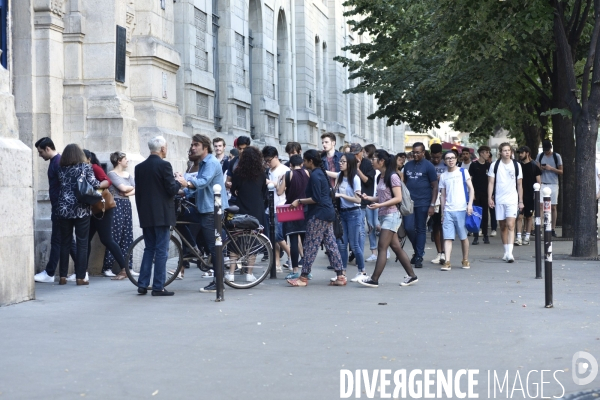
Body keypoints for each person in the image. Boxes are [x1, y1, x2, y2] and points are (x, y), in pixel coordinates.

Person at [135, 136, 187, 296]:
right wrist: (180, 182)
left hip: (146, 214)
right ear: (163, 149)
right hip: (162, 214)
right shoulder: (164, 165)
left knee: (149, 248)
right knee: (161, 250)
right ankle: (158, 286)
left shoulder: (139, 167)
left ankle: (142, 284)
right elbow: (171, 189)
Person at [358, 150, 418, 288]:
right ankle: (412, 276)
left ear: (382, 161)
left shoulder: (393, 177)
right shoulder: (381, 176)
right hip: (385, 215)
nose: (371, 161)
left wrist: (380, 204)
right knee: (396, 247)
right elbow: (382, 197)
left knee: (382, 247)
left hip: (392, 215)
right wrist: (368, 198)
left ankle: (374, 279)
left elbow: (398, 198)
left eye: (374, 159)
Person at [287, 149, 344, 287]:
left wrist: (299, 201)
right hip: (327, 213)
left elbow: (316, 198)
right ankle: (340, 275)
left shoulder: (315, 175)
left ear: (310, 161)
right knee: (331, 245)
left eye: (305, 160)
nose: (304, 163)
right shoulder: (321, 173)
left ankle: (303, 277)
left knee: (310, 245)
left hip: (319, 214)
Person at [182, 134, 229, 294]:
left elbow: (203, 182)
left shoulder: (211, 162)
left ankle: (218, 282)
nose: (193, 147)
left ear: (205, 147)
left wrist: (186, 182)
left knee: (214, 246)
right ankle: (193, 248)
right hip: (204, 206)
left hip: (212, 209)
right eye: (192, 145)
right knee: (182, 216)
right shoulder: (202, 163)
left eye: (196, 145)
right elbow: (198, 186)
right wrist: (184, 192)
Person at [33, 137, 78, 283]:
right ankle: (81, 270)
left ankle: (50, 272)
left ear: (47, 149)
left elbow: (63, 186)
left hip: (60, 207)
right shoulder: (56, 162)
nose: (40, 155)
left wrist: (60, 206)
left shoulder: (57, 162)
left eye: (40, 152)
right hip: (60, 207)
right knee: (68, 241)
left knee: (57, 240)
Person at [56, 144, 101, 285]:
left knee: (65, 242)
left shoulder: (60, 169)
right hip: (81, 208)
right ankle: (80, 277)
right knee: (82, 242)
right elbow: (94, 183)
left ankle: (62, 276)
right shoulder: (85, 167)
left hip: (63, 208)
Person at [84, 150, 130, 280]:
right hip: (94, 209)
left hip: (103, 208)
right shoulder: (86, 168)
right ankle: (82, 270)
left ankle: (124, 268)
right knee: (86, 239)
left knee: (107, 239)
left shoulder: (94, 167)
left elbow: (107, 182)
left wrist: (95, 192)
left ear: (88, 159)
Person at [324, 152, 365, 282]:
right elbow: (329, 174)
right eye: (340, 161)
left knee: (354, 245)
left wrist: (341, 196)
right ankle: (342, 272)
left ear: (350, 164)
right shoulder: (340, 176)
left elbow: (358, 200)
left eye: (343, 162)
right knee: (341, 245)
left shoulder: (355, 179)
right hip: (342, 213)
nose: (340, 164)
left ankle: (362, 271)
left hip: (354, 213)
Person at [230, 146, 267, 282]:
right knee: (254, 240)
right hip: (257, 208)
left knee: (235, 239)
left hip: (241, 207)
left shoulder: (238, 172)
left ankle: (231, 273)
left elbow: (234, 189)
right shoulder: (262, 173)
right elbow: (263, 191)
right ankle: (249, 274)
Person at [403, 142, 438, 268]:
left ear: (423, 153)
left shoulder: (428, 166)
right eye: (414, 152)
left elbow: (435, 186)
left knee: (421, 228)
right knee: (408, 227)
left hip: (423, 201)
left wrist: (432, 204)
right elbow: (404, 184)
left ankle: (418, 256)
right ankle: (418, 251)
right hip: (409, 203)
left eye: (418, 152)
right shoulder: (407, 166)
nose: (415, 154)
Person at [488, 142, 524, 263]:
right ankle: (505, 251)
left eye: (509, 150)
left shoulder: (516, 165)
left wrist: (520, 201)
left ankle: (510, 253)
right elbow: (491, 183)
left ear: (511, 152)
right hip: (499, 199)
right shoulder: (495, 165)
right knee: (502, 226)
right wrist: (490, 197)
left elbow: (520, 184)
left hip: (512, 199)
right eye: (504, 150)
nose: (507, 152)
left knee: (510, 225)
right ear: (500, 152)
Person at [439, 151, 474, 271]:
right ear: (444, 161)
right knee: (448, 237)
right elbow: (442, 195)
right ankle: (447, 262)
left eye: (452, 158)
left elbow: (471, 189)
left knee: (463, 237)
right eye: (448, 158)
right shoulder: (443, 176)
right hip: (448, 210)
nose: (450, 160)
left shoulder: (463, 172)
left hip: (461, 209)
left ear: (456, 159)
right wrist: (442, 212)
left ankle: (465, 259)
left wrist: (470, 205)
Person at [277, 154, 309, 279]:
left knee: (294, 241)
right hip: (305, 209)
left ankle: (295, 269)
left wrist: (280, 181)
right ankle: (307, 270)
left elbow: (279, 192)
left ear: (290, 165)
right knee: (306, 241)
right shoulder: (307, 172)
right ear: (302, 164)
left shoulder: (288, 174)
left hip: (291, 210)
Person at [107, 151, 136, 280]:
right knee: (115, 234)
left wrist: (127, 193)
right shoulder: (112, 174)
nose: (127, 161)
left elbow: (137, 188)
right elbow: (122, 188)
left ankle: (128, 267)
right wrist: (127, 190)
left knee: (127, 235)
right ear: (119, 160)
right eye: (125, 159)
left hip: (126, 203)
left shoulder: (128, 174)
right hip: (116, 203)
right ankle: (107, 266)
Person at [263, 146, 291, 272]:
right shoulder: (268, 171)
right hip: (270, 206)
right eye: (266, 161)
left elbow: (284, 189)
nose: (268, 163)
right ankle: (277, 262)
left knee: (278, 235)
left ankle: (292, 255)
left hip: (281, 206)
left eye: (269, 160)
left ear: (276, 157)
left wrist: (271, 183)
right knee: (272, 236)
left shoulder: (284, 170)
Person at [515, 146, 541, 246]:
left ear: (527, 153)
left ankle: (527, 236)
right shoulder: (518, 166)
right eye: (519, 153)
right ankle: (518, 237)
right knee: (519, 216)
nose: (520, 155)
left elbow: (538, 181)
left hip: (530, 194)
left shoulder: (534, 166)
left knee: (529, 217)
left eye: (522, 153)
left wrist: (536, 194)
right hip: (520, 194)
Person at [537, 139, 563, 237]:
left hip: (553, 183)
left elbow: (561, 171)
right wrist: (541, 167)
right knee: (541, 206)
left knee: (553, 206)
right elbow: (536, 168)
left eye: (547, 150)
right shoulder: (540, 156)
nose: (546, 152)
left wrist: (551, 168)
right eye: (545, 150)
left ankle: (552, 228)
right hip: (543, 183)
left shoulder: (557, 157)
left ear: (550, 148)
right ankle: (539, 228)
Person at [468, 146, 492, 245]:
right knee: (476, 215)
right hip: (476, 194)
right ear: (481, 153)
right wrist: (471, 193)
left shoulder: (489, 165)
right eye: (486, 152)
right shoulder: (473, 165)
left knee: (485, 215)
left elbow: (491, 181)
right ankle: (476, 236)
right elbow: (470, 180)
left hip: (486, 194)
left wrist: (491, 195)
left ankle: (485, 235)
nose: (488, 154)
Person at [429, 143, 447, 264]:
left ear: (441, 154)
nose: (436, 160)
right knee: (435, 226)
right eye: (433, 157)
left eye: (438, 157)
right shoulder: (427, 164)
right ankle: (439, 252)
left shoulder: (446, 164)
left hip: (445, 198)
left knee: (444, 226)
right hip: (432, 198)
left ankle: (445, 253)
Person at [362, 144, 380, 261]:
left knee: (378, 225)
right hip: (368, 199)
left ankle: (384, 248)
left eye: (364, 151)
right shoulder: (367, 168)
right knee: (371, 226)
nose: (363, 154)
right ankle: (374, 251)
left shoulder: (379, 171)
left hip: (379, 201)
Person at [225, 135, 251, 204]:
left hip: (249, 198)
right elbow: (228, 180)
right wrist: (228, 184)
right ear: (237, 147)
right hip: (235, 198)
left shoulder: (254, 162)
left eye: (244, 149)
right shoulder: (233, 162)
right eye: (240, 149)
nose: (242, 151)